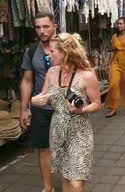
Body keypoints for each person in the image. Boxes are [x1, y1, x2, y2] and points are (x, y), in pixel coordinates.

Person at [31, 33, 101, 192]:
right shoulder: (51, 72)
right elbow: (44, 97)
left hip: (79, 133)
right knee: (65, 177)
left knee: (76, 182)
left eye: (53, 51)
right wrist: (34, 101)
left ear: (65, 52)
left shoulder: (87, 76)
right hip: (57, 130)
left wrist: (81, 109)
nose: (50, 54)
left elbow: (97, 104)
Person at [20, 12, 58, 192]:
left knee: (66, 147)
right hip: (41, 109)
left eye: (46, 26)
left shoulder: (65, 47)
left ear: (54, 27)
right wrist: (24, 110)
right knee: (44, 148)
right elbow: (27, 81)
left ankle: (70, 185)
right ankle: (47, 187)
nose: (42, 31)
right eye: (38, 27)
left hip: (64, 108)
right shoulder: (32, 51)